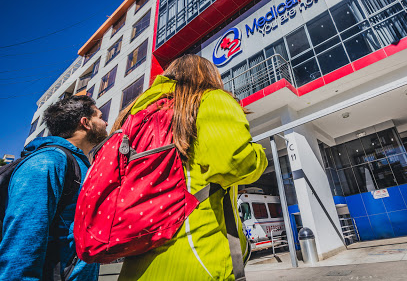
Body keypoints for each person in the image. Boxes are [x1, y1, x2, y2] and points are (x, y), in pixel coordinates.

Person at [116, 55, 268, 280]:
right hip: (199, 257)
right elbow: (237, 164)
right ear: (209, 75)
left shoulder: (134, 117)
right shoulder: (209, 99)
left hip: (137, 264)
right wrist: (259, 152)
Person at [0, 95, 108, 280]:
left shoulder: (80, 165)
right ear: (85, 123)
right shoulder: (48, 161)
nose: (105, 122)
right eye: (99, 116)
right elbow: (23, 240)